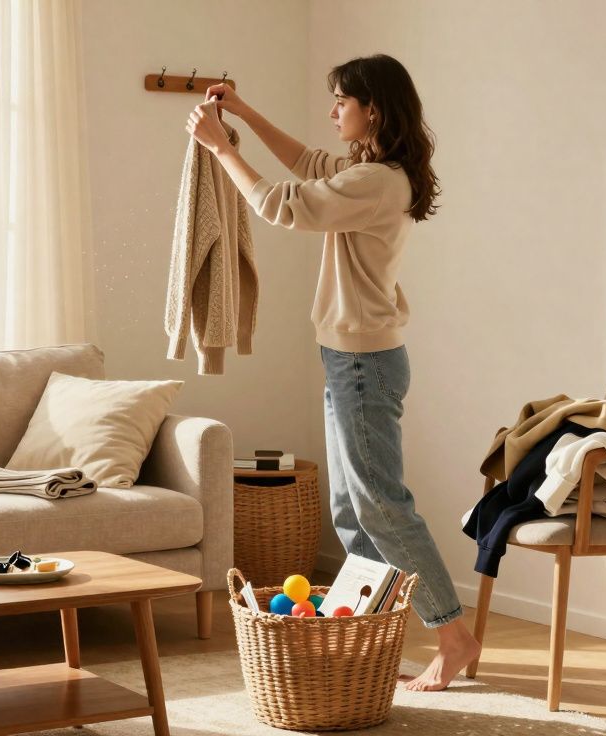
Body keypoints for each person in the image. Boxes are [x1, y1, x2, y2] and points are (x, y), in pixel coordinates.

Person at [187, 53, 480, 691]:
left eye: (341, 102)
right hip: (347, 358)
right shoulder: (367, 171)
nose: (332, 112)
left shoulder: (376, 181)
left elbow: (280, 204)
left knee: (384, 508)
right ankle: (359, 640)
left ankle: (453, 635)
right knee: (351, 511)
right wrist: (241, 112)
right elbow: (308, 166)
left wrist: (221, 149)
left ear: (371, 108)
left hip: (362, 364)